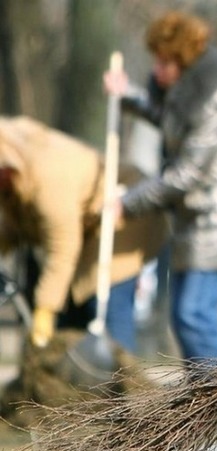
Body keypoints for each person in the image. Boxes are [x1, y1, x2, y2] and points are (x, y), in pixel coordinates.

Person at [104, 10, 217, 361]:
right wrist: (125, 94)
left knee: (193, 315)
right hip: (194, 221)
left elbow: (185, 175)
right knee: (183, 316)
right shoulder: (184, 95)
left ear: (183, 62)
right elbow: (165, 119)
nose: (157, 70)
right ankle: (209, 408)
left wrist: (126, 204)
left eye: (163, 62)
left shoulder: (213, 106)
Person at [0, 115, 167, 352]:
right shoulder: (16, 178)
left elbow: (62, 249)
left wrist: (45, 309)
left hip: (121, 216)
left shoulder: (49, 176)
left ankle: (127, 381)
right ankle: (78, 383)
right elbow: (15, 226)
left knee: (104, 301)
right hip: (88, 227)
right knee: (72, 312)